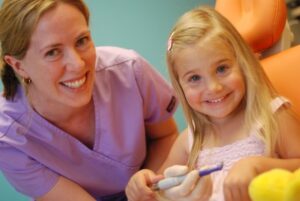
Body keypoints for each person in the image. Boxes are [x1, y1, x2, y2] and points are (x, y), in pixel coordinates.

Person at [0, 0, 179, 200]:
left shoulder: (129, 71)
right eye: (52, 52)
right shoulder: (8, 138)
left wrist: (150, 188)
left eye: (82, 40)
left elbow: (165, 137)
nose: (77, 65)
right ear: (18, 65)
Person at [125, 6, 300, 201]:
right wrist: (143, 184)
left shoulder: (272, 117)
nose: (214, 87)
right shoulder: (190, 141)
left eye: (222, 68)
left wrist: (258, 166)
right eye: (194, 78)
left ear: (242, 62)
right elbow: (160, 189)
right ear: (180, 86)